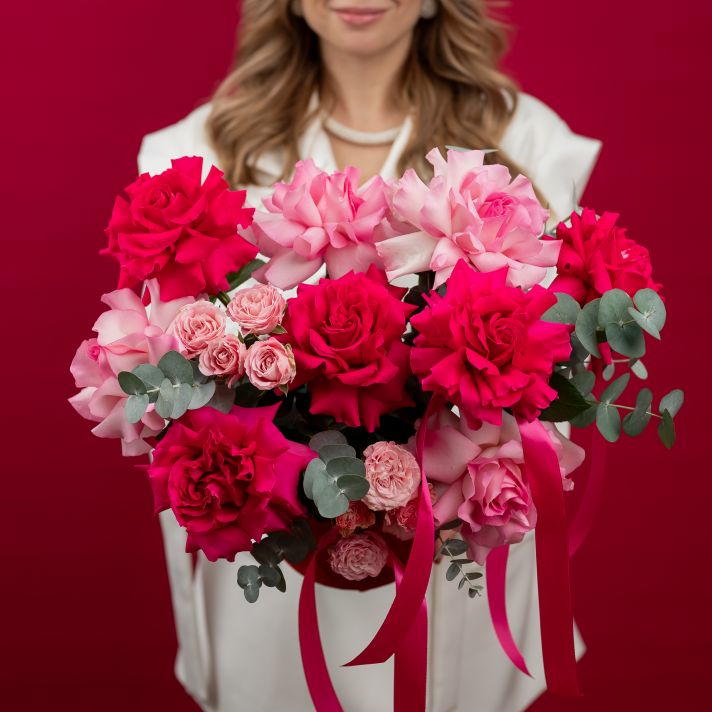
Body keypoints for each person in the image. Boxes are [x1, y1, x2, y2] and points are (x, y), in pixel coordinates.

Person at [138, 1, 601, 710]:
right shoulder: (201, 150)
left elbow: (557, 358)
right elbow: (164, 374)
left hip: (456, 574)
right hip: (277, 579)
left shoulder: (528, 142)